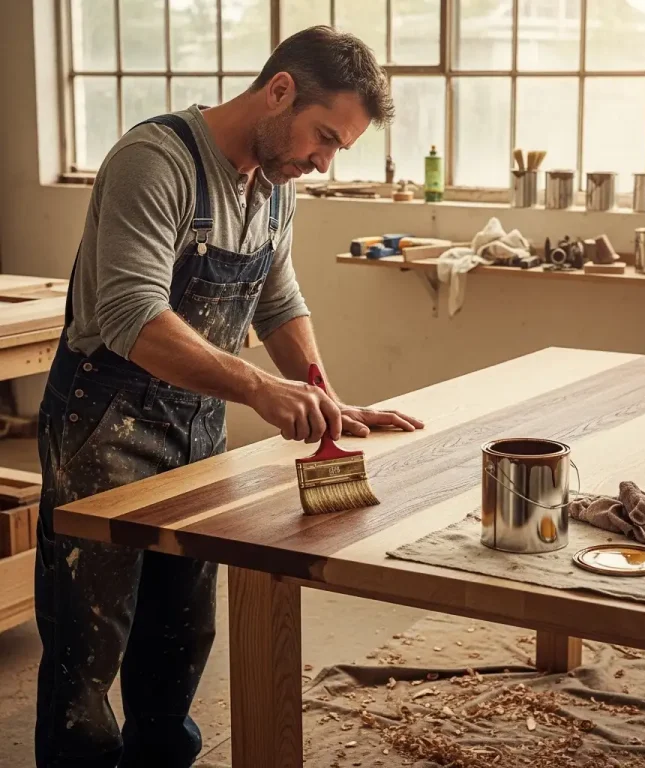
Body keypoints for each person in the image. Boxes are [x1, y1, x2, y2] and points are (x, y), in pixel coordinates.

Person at [34, 24, 423, 768]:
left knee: (178, 638)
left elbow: (278, 303)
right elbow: (130, 317)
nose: (323, 162)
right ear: (278, 90)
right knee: (88, 654)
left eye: (338, 147)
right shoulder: (157, 162)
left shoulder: (274, 189)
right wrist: (260, 390)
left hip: (194, 433)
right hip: (103, 430)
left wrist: (323, 397)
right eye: (323, 137)